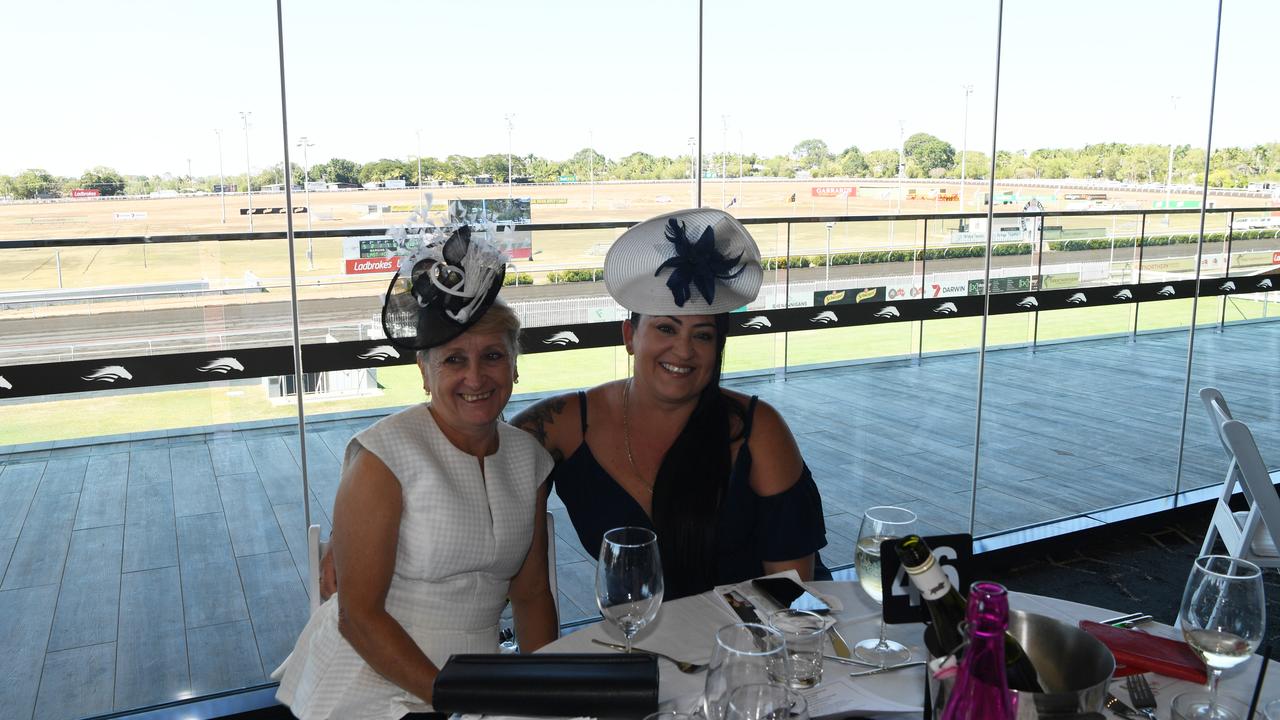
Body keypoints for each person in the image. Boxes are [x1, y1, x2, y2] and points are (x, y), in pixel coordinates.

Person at [274, 226, 557, 720]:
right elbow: (358, 618)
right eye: (454, 360)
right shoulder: (383, 457)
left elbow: (532, 596)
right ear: (424, 373)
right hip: (371, 676)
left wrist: (544, 698)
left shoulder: (528, 458)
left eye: (492, 356)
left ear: (515, 366)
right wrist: (454, 699)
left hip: (479, 679)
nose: (475, 377)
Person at [513, 208, 828, 601]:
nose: (683, 350)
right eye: (665, 328)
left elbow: (793, 593)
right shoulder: (564, 425)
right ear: (630, 336)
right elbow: (485, 452)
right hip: (640, 638)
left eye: (703, 335)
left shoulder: (757, 429)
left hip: (750, 643)